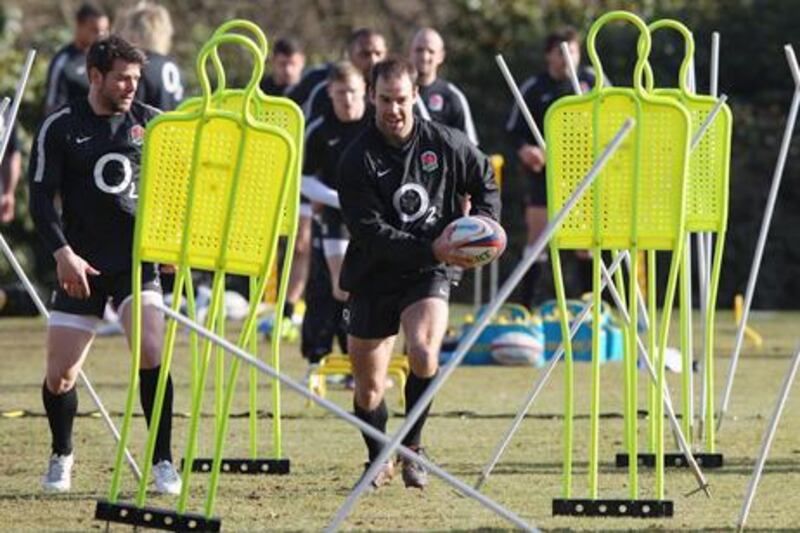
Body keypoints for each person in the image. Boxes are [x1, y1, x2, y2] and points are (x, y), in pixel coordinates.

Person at [338, 57, 500, 489]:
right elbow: (369, 232)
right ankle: (379, 457)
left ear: (416, 97)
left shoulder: (446, 143)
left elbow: (483, 177)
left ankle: (413, 447)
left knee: (425, 352)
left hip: (430, 270)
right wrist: (432, 245)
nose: (394, 110)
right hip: (375, 272)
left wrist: (485, 226)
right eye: (386, 100)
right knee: (369, 390)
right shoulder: (356, 159)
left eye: (402, 100)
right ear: (372, 97)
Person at [29, 36, 180, 495]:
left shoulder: (154, 125)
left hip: (138, 262)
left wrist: (174, 243)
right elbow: (39, 199)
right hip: (83, 266)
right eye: (122, 78)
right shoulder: (60, 126)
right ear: (96, 76)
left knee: (152, 350)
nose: (131, 86)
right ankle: (62, 453)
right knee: (60, 377)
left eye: (136, 78)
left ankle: (162, 461)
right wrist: (63, 254)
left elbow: (179, 188)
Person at [505, 26, 595, 307]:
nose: (569, 58)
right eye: (562, 52)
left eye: (574, 51)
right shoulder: (534, 88)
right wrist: (526, 150)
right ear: (549, 56)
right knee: (538, 241)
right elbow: (513, 130)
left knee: (586, 242)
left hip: (583, 174)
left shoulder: (592, 81)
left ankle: (590, 307)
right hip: (543, 176)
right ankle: (526, 307)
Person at [300, 61, 370, 376]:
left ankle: (366, 356)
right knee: (342, 286)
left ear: (365, 92)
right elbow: (302, 179)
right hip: (335, 215)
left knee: (373, 284)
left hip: (375, 214)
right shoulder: (319, 129)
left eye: (353, 92)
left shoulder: (376, 123)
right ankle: (339, 355)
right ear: (330, 92)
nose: (348, 100)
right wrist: (337, 199)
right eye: (341, 93)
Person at [409, 27, 478, 145]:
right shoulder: (397, 93)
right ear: (410, 52)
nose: (424, 56)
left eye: (431, 51)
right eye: (419, 50)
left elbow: (469, 147)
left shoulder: (452, 96)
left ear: (441, 56)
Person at [115, 2, 184, 111]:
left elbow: (134, 112)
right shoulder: (173, 66)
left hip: (152, 127)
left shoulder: (141, 67)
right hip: (175, 127)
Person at [44, 2, 109, 113]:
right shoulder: (63, 61)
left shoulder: (108, 58)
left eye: (104, 30)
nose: (100, 35)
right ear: (79, 26)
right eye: (95, 30)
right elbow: (52, 106)